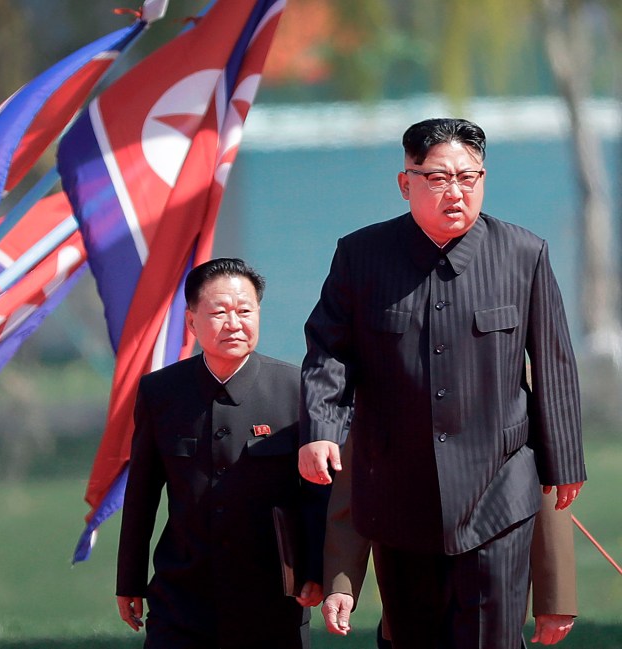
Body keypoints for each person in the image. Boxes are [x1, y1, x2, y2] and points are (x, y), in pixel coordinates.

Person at [297, 117, 586, 648]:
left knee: (490, 638)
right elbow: (329, 352)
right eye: (438, 178)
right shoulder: (362, 257)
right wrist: (321, 427)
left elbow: (554, 365)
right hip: (398, 493)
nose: (456, 192)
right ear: (405, 182)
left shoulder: (524, 254)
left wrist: (564, 462)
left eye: (469, 177)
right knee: (411, 637)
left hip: (498, 492)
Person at [116, 257, 330, 649]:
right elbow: (142, 494)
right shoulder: (161, 392)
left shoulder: (296, 390)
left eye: (245, 311)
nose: (234, 323)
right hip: (182, 596)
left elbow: (318, 494)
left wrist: (317, 570)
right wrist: (129, 580)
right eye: (219, 312)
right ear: (192, 322)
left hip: (271, 597)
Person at [321, 441, 578, 647]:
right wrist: (341, 583)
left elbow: (543, 466)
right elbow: (358, 475)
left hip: (493, 587)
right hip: (409, 586)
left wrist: (555, 598)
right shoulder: (384, 376)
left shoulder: (510, 376)